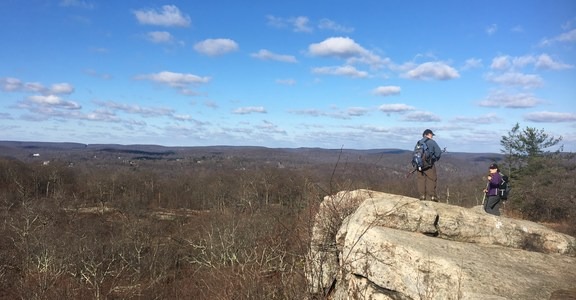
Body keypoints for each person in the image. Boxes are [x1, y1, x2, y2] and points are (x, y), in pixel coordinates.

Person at [416, 129, 442, 201]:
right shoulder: (432, 142)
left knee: (421, 180)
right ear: (427, 134)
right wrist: (433, 159)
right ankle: (431, 197)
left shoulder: (418, 142)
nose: (432, 136)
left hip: (419, 165)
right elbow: (438, 152)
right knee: (431, 179)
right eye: (431, 135)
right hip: (429, 165)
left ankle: (422, 196)